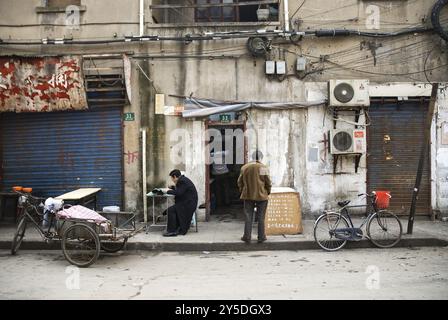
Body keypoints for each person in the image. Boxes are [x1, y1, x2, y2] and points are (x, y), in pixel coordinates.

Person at [237, 150, 272, 244]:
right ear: (260, 157)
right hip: (262, 196)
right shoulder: (263, 167)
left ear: (252, 157)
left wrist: (243, 191)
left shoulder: (244, 167)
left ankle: (247, 237)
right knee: (261, 217)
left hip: (248, 195)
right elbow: (268, 183)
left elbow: (239, 182)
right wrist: (267, 192)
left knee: (248, 216)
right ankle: (261, 237)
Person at [161, 169, 198, 237]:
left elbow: (179, 193)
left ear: (174, 176)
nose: (172, 180)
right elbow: (182, 190)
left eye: (172, 178)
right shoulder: (183, 179)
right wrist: (172, 188)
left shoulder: (182, 181)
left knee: (170, 210)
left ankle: (171, 231)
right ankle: (176, 228)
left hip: (188, 205)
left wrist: (167, 191)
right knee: (173, 209)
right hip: (188, 203)